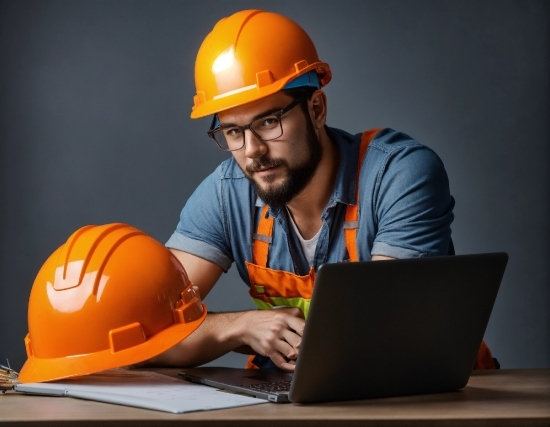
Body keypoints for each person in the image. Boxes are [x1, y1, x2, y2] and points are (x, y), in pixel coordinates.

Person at [151, 9, 496, 370]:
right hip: (310, 398)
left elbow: (381, 336)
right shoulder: (226, 196)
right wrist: (237, 327)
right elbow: (147, 333)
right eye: (234, 132)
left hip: (436, 399)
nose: (252, 150)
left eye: (269, 122)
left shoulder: (398, 175)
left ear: (316, 109)